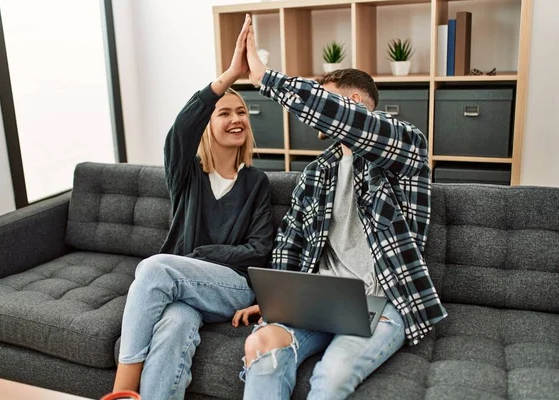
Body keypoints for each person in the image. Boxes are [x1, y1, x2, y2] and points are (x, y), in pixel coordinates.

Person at [232, 15, 447, 399]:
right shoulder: (317, 172)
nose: (314, 115)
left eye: (325, 97)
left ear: (353, 104)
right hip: (318, 301)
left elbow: (346, 120)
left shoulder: (406, 149)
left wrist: (266, 78)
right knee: (260, 346)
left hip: (383, 301)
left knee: (331, 376)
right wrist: (272, 305)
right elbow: (291, 243)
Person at [113, 17, 273, 400]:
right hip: (182, 290)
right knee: (171, 332)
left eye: (242, 113)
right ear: (208, 124)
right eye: (224, 112)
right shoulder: (187, 175)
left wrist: (199, 255)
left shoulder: (257, 183)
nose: (236, 118)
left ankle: (119, 391)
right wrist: (231, 74)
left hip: (231, 288)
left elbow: (259, 249)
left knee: (155, 267)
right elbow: (180, 129)